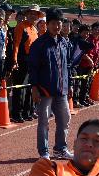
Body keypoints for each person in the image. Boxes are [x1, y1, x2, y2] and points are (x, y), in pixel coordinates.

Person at [28, 8, 72, 160]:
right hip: (45, 90)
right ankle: (44, 152)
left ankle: (60, 149)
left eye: (59, 23)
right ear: (48, 24)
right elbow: (33, 68)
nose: (57, 26)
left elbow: (67, 66)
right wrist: (34, 88)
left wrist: (69, 85)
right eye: (53, 23)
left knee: (65, 120)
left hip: (62, 90)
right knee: (44, 123)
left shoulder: (64, 43)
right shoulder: (39, 44)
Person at [9, 4, 43, 123]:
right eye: (31, 13)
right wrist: (15, 60)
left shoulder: (34, 29)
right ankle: (16, 113)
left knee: (29, 87)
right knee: (20, 88)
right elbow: (16, 44)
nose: (33, 15)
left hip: (32, 61)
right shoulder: (21, 27)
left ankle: (27, 111)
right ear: (27, 14)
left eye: (35, 14)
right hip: (22, 60)